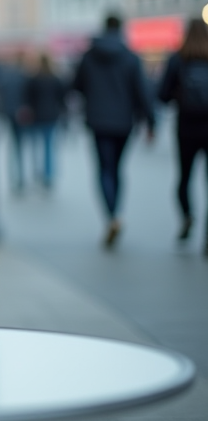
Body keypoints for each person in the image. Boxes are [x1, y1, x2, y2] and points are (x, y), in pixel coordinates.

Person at [71, 14, 155, 248]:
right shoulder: (130, 56)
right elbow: (142, 91)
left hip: (98, 120)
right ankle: (116, 212)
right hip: (124, 122)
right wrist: (151, 122)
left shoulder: (89, 56)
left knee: (104, 169)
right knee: (117, 169)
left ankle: (111, 216)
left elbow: (76, 85)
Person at [157, 17, 208, 251]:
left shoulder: (177, 59)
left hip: (186, 127)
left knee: (184, 177)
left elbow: (163, 95)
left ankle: (187, 216)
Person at [22, 53, 67, 189]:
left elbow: (28, 98)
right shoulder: (55, 79)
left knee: (35, 146)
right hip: (51, 116)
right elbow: (62, 98)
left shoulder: (34, 79)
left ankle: (38, 172)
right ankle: (48, 174)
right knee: (49, 146)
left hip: (36, 116)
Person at [0, 53, 30, 192]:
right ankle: (20, 177)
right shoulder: (23, 77)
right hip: (20, 114)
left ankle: (16, 177)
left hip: (10, 113)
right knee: (20, 145)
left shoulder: (7, 78)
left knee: (14, 146)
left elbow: (2, 96)